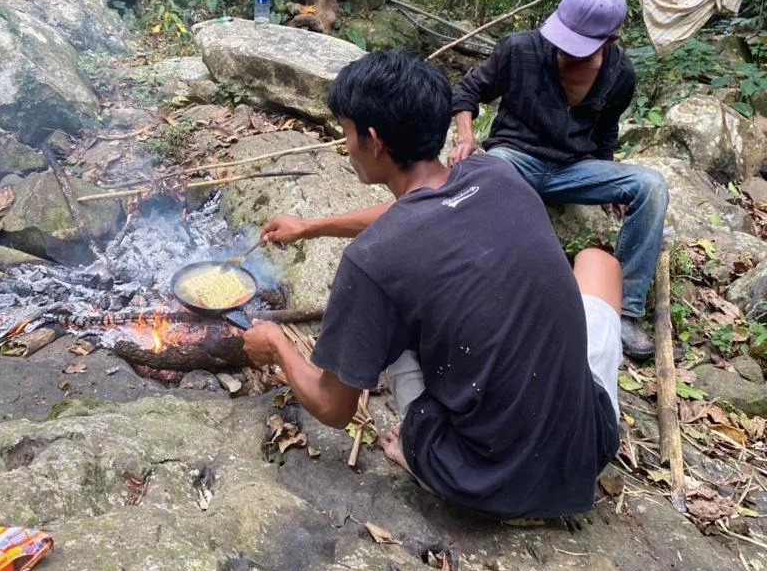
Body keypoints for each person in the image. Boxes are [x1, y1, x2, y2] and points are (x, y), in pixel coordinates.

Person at [242, 50, 621, 519]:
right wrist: (311, 226)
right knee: (598, 263)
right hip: (588, 445)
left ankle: (424, 456)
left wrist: (277, 343)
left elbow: (334, 409)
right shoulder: (496, 173)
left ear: (374, 140)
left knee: (393, 327)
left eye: (346, 131)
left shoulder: (370, 264)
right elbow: (418, 209)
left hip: (487, 479)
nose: (345, 143)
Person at [450, 0, 668, 360]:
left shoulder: (621, 75)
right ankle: (487, 286)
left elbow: (605, 133)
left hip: (574, 169)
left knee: (651, 186)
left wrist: (608, 180)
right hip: (514, 158)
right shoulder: (519, 49)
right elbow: (466, 92)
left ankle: (626, 310)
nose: (566, 52)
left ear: (609, 40)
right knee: (484, 171)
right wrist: (466, 137)